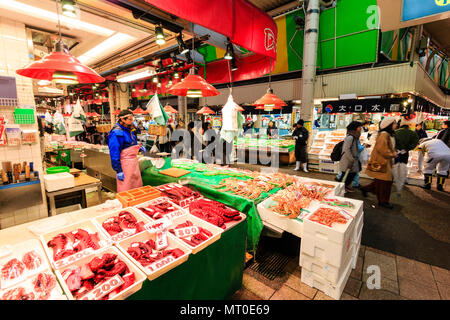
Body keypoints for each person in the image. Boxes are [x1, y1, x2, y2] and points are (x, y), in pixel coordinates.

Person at [360, 117, 398, 209]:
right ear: (388, 125)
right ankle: (383, 201)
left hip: (382, 161)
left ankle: (365, 189)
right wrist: (392, 154)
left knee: (380, 182)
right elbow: (382, 149)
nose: (396, 125)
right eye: (394, 123)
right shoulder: (384, 134)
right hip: (382, 162)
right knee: (384, 183)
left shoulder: (386, 134)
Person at [107, 110, 146, 192]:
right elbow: (114, 153)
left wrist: (138, 148)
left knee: (136, 188)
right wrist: (118, 170)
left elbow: (130, 144)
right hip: (124, 166)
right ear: (122, 120)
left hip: (134, 164)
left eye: (133, 119)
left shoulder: (129, 130)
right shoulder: (116, 133)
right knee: (126, 189)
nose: (132, 122)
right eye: (130, 119)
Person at [392, 118, 419, 196]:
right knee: (403, 165)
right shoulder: (413, 133)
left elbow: (392, 142)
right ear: (408, 127)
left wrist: (396, 149)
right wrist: (407, 149)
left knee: (395, 165)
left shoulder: (395, 132)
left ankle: (394, 179)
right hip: (405, 152)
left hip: (396, 152)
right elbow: (415, 143)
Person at [338, 121, 363, 193]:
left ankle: (344, 186)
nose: (360, 128)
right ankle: (340, 188)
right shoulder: (350, 137)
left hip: (352, 159)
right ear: (355, 128)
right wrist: (351, 159)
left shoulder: (355, 136)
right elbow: (346, 149)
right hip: (348, 159)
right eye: (359, 127)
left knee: (350, 173)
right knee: (346, 174)